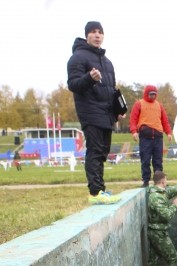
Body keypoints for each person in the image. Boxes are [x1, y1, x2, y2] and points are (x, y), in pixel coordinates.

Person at [66, 21, 121, 205]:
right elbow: (73, 85)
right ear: (86, 35)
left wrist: (118, 110)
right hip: (90, 112)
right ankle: (95, 192)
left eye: (100, 32)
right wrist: (89, 78)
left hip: (106, 115)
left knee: (103, 152)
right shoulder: (77, 58)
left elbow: (111, 90)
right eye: (93, 32)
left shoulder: (107, 62)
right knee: (95, 150)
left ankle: (101, 189)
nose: (97, 35)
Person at [129, 85, 174, 187]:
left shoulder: (159, 106)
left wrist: (169, 132)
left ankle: (159, 182)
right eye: (151, 94)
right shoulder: (138, 104)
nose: (153, 96)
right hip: (145, 137)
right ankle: (145, 181)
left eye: (154, 94)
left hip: (158, 137)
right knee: (145, 159)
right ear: (146, 94)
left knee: (158, 161)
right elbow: (133, 119)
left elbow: (165, 120)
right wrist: (134, 131)